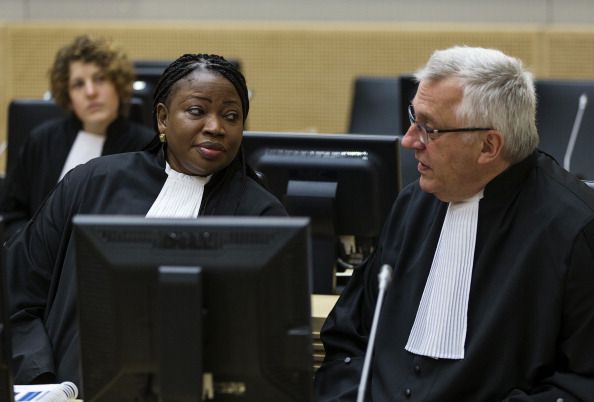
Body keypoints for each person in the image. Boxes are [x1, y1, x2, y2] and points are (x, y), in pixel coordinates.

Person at [315, 46, 594, 401]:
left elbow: (583, 383)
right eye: (413, 118)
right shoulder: (412, 203)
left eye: (428, 128)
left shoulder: (576, 229)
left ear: (488, 146)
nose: (408, 140)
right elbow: (348, 339)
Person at [5, 53, 287, 396]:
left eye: (231, 116)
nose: (216, 127)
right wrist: (41, 381)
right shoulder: (91, 183)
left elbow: (271, 348)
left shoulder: (260, 216)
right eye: (197, 111)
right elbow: (15, 293)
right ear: (163, 119)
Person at [0, 35, 154, 234]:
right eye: (78, 84)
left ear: (118, 85)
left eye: (100, 79)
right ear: (69, 97)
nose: (90, 92)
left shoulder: (147, 146)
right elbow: (12, 213)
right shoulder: (42, 140)